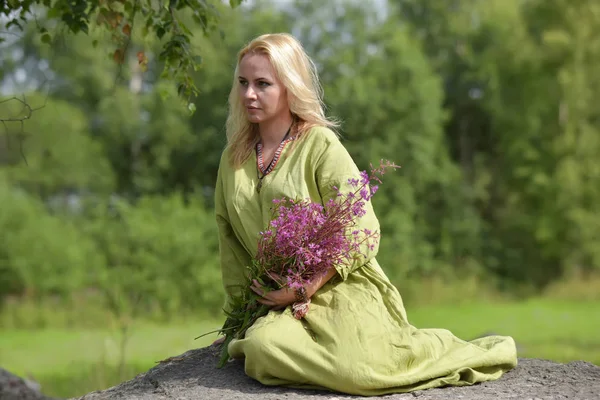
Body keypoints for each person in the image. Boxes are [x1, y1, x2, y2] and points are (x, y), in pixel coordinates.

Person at [213, 32, 518, 396]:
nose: (249, 94)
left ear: (289, 86)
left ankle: (434, 348)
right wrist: (239, 316)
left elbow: (363, 228)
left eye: (263, 84)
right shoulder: (233, 160)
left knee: (357, 372)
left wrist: (305, 286)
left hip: (340, 287)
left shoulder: (319, 144)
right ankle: (276, 343)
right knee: (262, 349)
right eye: (243, 83)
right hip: (273, 303)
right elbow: (229, 242)